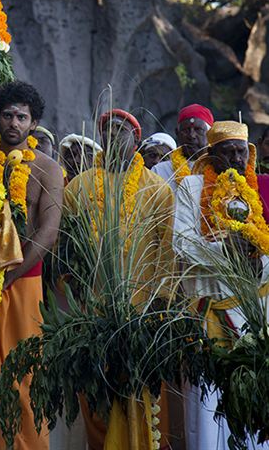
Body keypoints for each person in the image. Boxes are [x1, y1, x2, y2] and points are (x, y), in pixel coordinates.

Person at [0, 80, 64, 450]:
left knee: (24, 374)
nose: (14, 123)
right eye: (7, 115)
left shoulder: (47, 168)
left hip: (24, 283)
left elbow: (48, 232)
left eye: (22, 117)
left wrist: (10, 276)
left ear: (34, 124)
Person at [64, 109, 176, 449]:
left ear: (137, 141)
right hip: (94, 309)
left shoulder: (157, 189)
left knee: (144, 394)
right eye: (107, 132)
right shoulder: (79, 187)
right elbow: (67, 249)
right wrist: (76, 296)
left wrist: (161, 302)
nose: (113, 137)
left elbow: (167, 252)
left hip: (143, 312)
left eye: (122, 131)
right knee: (97, 395)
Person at [173, 120, 269, 450]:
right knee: (207, 402)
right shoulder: (192, 187)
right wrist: (224, 250)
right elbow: (181, 243)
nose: (236, 158)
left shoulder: (258, 189)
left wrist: (259, 259)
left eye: (241, 151)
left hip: (256, 314)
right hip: (209, 308)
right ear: (212, 155)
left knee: (254, 397)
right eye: (227, 152)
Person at [153, 104, 214, 193]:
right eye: (186, 130)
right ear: (177, 133)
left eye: (198, 129)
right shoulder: (160, 171)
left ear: (210, 134)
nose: (192, 135)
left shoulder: (218, 169)